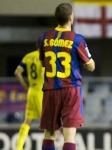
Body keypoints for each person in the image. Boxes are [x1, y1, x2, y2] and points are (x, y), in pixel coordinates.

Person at [38, 3, 95, 150]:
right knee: (69, 135)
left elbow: (43, 63)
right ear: (71, 18)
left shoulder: (44, 37)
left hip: (50, 90)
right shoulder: (77, 39)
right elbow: (90, 66)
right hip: (71, 90)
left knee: (49, 133)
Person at [14, 40, 44, 150]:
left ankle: (19, 147)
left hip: (31, 91)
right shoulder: (44, 57)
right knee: (47, 122)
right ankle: (50, 147)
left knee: (28, 121)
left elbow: (17, 72)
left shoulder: (29, 56)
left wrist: (26, 86)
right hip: (41, 92)